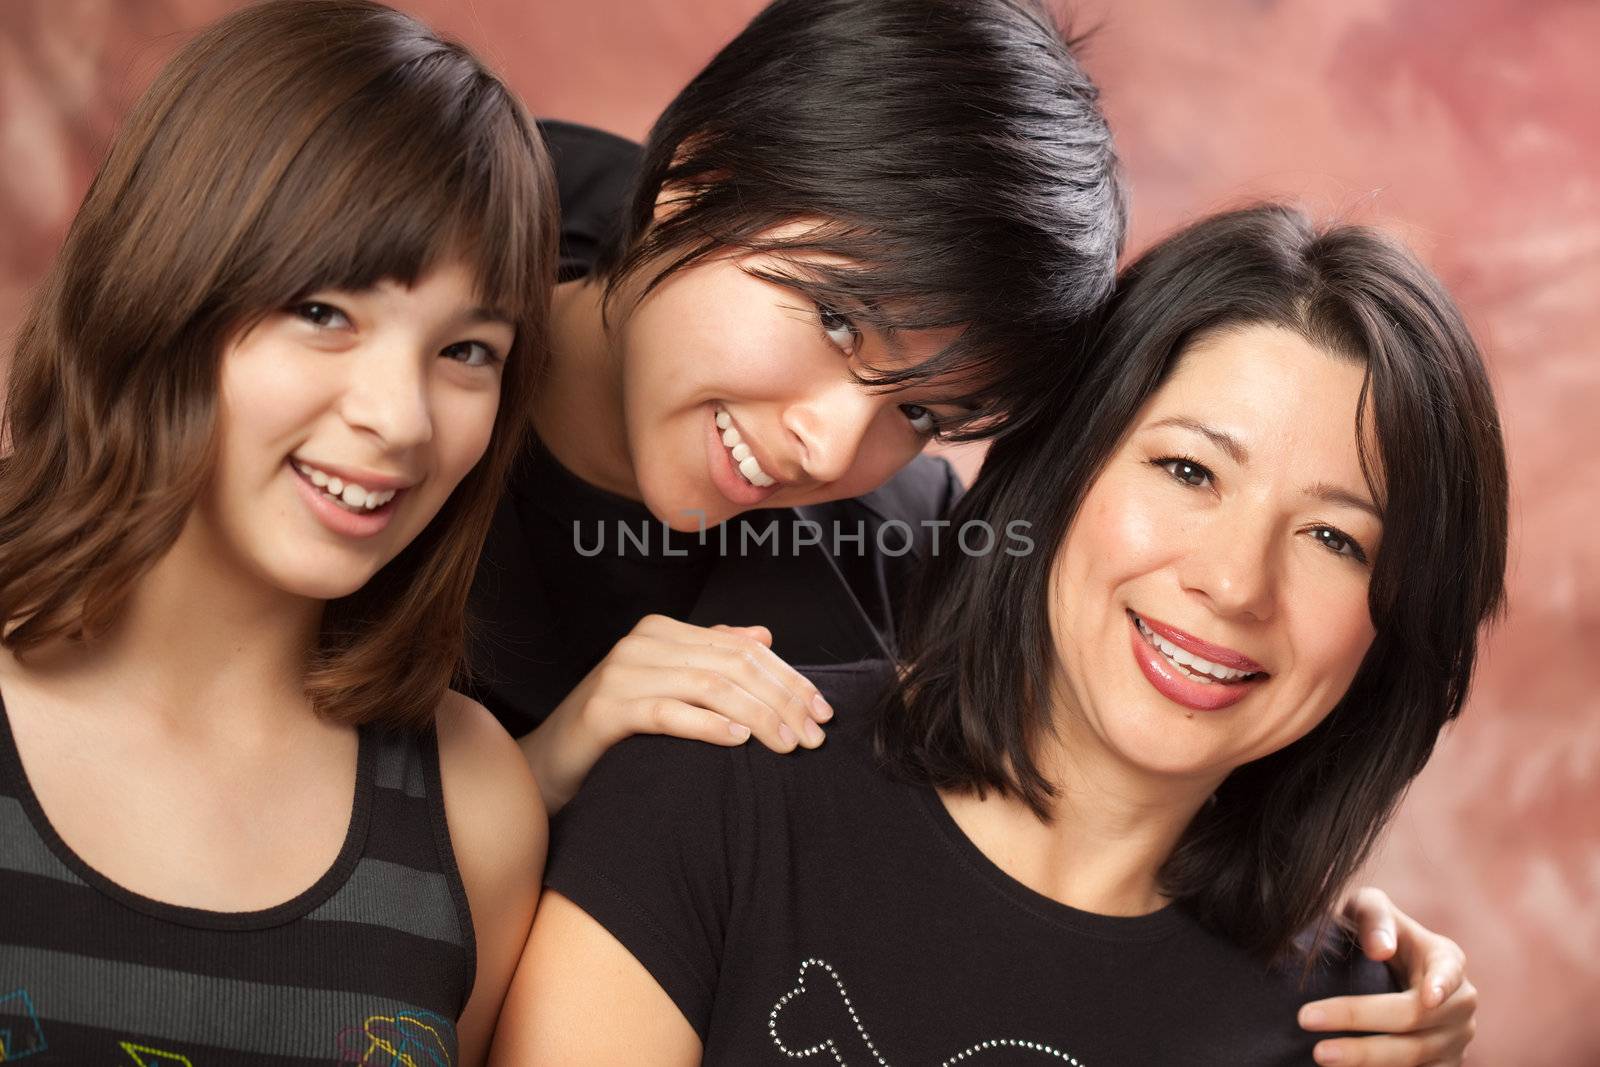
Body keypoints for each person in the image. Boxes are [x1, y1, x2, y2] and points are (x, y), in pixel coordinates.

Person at [469, 0, 1476, 1042]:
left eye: (920, 411)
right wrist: (530, 774)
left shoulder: (909, 548)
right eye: (834, 319)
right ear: (694, 175)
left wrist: (1335, 942)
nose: (827, 445)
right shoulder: (374, 368)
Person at [0, 2, 554, 1062]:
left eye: (468, 350)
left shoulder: (476, 805)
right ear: (163, 283)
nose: (399, 418)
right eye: (323, 311)